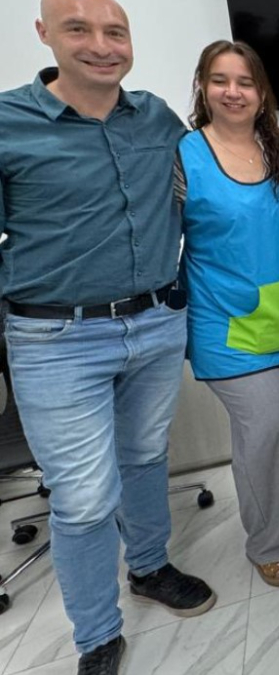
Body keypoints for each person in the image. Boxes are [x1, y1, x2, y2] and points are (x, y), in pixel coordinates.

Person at [0, 0, 215, 671]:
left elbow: (204, 178)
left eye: (114, 31)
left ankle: (149, 568)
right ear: (45, 35)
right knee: (86, 495)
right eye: (78, 30)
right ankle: (96, 634)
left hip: (155, 320)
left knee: (146, 455)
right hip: (55, 338)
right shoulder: (9, 122)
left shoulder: (157, 118)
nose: (100, 45)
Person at [178, 40, 279, 588]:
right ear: (202, 87)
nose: (232, 92)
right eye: (219, 80)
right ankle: (273, 541)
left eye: (245, 82)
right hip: (227, 326)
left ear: (262, 94)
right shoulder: (182, 154)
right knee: (266, 431)